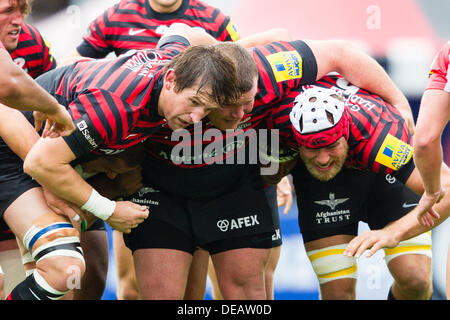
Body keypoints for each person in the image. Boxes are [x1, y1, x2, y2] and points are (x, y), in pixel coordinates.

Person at [118, 27, 417, 299]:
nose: (239, 116)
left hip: (233, 187)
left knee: (247, 294)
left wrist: (399, 103)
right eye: (229, 108)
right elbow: (182, 32)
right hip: (164, 187)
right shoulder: (173, 86)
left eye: (248, 105)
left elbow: (339, 51)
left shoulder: (272, 70)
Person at [68, 1, 241, 299]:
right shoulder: (116, 15)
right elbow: (74, 62)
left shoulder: (212, 18)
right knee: (130, 285)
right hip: (131, 156)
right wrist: (109, 87)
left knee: (193, 290)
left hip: (189, 161)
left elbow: (237, 70)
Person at [22, 23, 241, 243]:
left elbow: (182, 29)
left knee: (94, 268)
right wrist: (109, 210)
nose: (196, 118)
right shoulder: (117, 108)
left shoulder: (177, 60)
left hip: (53, 153)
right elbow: (39, 163)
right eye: (194, 102)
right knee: (62, 263)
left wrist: (232, 61)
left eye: (207, 110)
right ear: (170, 80)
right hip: (20, 150)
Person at [274, 75, 449, 295]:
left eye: (330, 146)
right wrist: (275, 173)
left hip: (382, 175)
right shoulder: (278, 121)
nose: (323, 159)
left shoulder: (381, 139)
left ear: (345, 133)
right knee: (338, 294)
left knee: (415, 279)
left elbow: (447, 190)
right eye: (313, 149)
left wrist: (394, 232)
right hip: (319, 184)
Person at [0, 0, 74, 137]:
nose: (19, 20)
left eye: (22, 10)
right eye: (8, 11)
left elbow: (54, 90)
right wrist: (53, 108)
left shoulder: (32, 41)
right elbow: (7, 83)